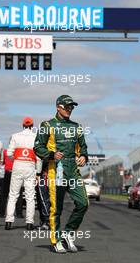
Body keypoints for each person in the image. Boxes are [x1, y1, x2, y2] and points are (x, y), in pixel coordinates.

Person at [34, 95, 89, 253]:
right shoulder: (47, 125)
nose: (69, 109)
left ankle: (68, 233)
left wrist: (84, 157)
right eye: (67, 106)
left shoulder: (77, 126)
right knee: (55, 209)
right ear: (58, 107)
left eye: (72, 107)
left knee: (83, 203)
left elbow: (83, 147)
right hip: (55, 170)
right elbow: (37, 147)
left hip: (73, 170)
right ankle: (56, 240)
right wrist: (51, 154)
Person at [5, 117, 42, 230]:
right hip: (30, 167)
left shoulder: (15, 136)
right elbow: (39, 157)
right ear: (32, 126)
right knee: (30, 196)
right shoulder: (36, 137)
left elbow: (9, 153)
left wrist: (15, 160)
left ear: (23, 125)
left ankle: (8, 221)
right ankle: (29, 223)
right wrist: (38, 173)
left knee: (13, 195)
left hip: (18, 166)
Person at [0, 148, 23, 218]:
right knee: (18, 193)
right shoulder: (19, 152)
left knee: (4, 194)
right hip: (17, 172)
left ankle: (2, 213)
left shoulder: (5, 151)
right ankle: (19, 213)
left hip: (8, 172)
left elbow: (2, 162)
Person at [36, 160, 50, 230]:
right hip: (43, 175)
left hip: (45, 176)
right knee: (41, 199)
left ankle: (46, 222)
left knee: (44, 199)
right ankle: (44, 221)